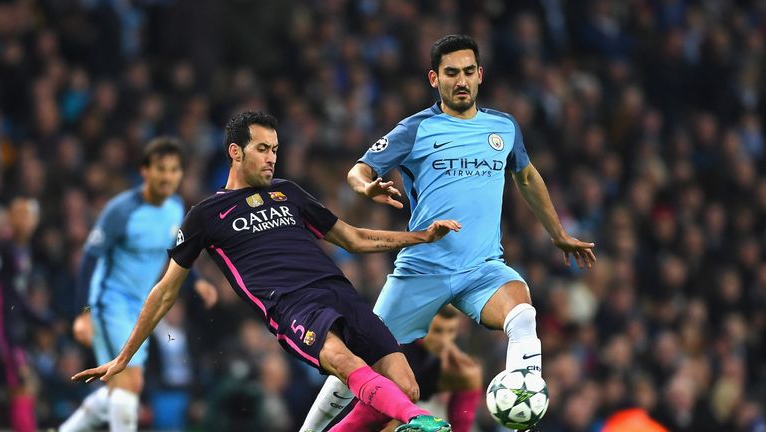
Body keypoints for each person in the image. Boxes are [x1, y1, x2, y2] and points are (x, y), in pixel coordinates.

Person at [70, 111, 459, 432]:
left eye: (275, 149)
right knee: (347, 365)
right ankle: (419, 420)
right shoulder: (206, 214)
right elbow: (165, 291)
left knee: (406, 387)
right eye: (262, 149)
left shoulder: (288, 192)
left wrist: (422, 237)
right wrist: (123, 356)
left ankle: (411, 412)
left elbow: (353, 238)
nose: (272, 157)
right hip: (292, 305)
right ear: (235, 152)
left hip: (339, 291)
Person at [302, 34, 596, 432]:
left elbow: (526, 176)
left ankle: (521, 413)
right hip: (423, 269)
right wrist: (366, 186)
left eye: (468, 72)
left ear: (480, 75)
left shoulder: (503, 127)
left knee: (523, 314)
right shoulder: (416, 129)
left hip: (482, 268)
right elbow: (359, 169)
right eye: (451, 73)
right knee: (357, 359)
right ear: (434, 78)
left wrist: (557, 233)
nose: (461, 81)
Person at [60, 138, 218, 432]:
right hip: (109, 304)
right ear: (145, 171)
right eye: (161, 169)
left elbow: (177, 250)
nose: (167, 176)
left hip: (139, 308)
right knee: (127, 385)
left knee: (122, 387)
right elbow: (89, 260)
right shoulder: (120, 211)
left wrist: (197, 282)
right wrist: (84, 314)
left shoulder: (174, 208)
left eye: (174, 170)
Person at [0, 196, 42, 432]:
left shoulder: (23, 249)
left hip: (12, 327)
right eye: (21, 215)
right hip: (4, 332)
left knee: (24, 386)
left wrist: (43, 319)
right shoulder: (4, 249)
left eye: (30, 215)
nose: (26, 221)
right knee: (22, 384)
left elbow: (17, 297)